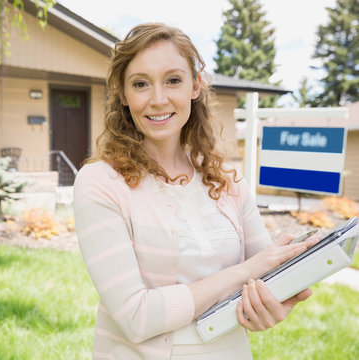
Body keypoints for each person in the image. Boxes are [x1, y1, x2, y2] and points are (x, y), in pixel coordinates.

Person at [73, 23, 318, 360]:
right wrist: (244, 273)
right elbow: (136, 317)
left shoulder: (226, 179)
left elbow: (268, 275)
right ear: (123, 95)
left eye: (173, 80)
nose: (158, 99)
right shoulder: (100, 182)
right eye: (141, 84)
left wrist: (272, 303)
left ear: (195, 86)